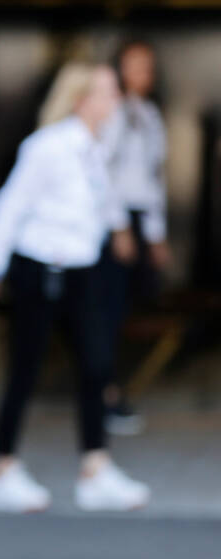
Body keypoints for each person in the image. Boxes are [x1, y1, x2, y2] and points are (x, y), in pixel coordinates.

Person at [0, 62, 151, 513]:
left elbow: (101, 196)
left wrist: (119, 228)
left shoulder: (98, 144)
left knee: (97, 366)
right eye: (107, 92)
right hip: (40, 269)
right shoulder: (47, 147)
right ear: (81, 99)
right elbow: (10, 206)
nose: (115, 99)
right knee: (25, 370)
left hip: (83, 270)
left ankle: (95, 468)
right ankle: (3, 470)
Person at [100, 39, 171, 435]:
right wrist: (119, 228)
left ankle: (111, 388)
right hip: (116, 222)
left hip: (139, 218)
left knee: (126, 307)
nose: (145, 72)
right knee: (107, 308)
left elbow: (154, 177)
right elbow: (103, 175)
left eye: (148, 65)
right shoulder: (112, 113)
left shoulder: (149, 114)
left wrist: (156, 234)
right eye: (136, 64)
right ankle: (105, 395)